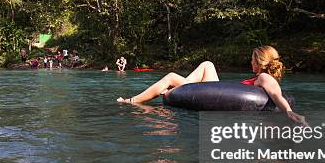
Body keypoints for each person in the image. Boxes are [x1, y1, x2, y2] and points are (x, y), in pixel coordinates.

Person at [117, 45, 305, 124]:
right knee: (208, 64)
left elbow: (276, 95)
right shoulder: (263, 76)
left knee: (171, 77)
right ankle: (179, 89)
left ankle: (132, 101)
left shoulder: (265, 77)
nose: (250, 63)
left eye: (252, 60)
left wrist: (289, 113)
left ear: (259, 61)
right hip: (218, 92)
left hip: (219, 96)